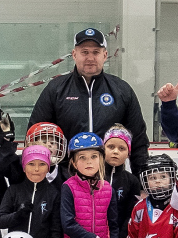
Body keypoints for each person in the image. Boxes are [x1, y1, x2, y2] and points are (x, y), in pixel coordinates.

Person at [29, 27, 153, 169]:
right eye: (85, 52)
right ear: (74, 55)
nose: (90, 58)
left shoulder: (122, 90)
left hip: (109, 178)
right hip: (66, 178)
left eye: (96, 52)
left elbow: (138, 140)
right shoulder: (56, 89)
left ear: (105, 55)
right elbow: (35, 137)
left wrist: (142, 182)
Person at [57, 132, 121, 238]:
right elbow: (67, 223)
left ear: (101, 159)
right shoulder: (68, 187)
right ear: (73, 162)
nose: (89, 162)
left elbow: (113, 225)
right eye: (82, 158)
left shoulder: (108, 189)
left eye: (94, 157)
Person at [0, 144, 64, 238]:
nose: (36, 169)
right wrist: (18, 215)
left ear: (48, 167)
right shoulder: (14, 190)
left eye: (42, 164)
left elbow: (56, 231)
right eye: (31, 164)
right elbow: (0, 221)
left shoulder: (54, 194)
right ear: (24, 166)